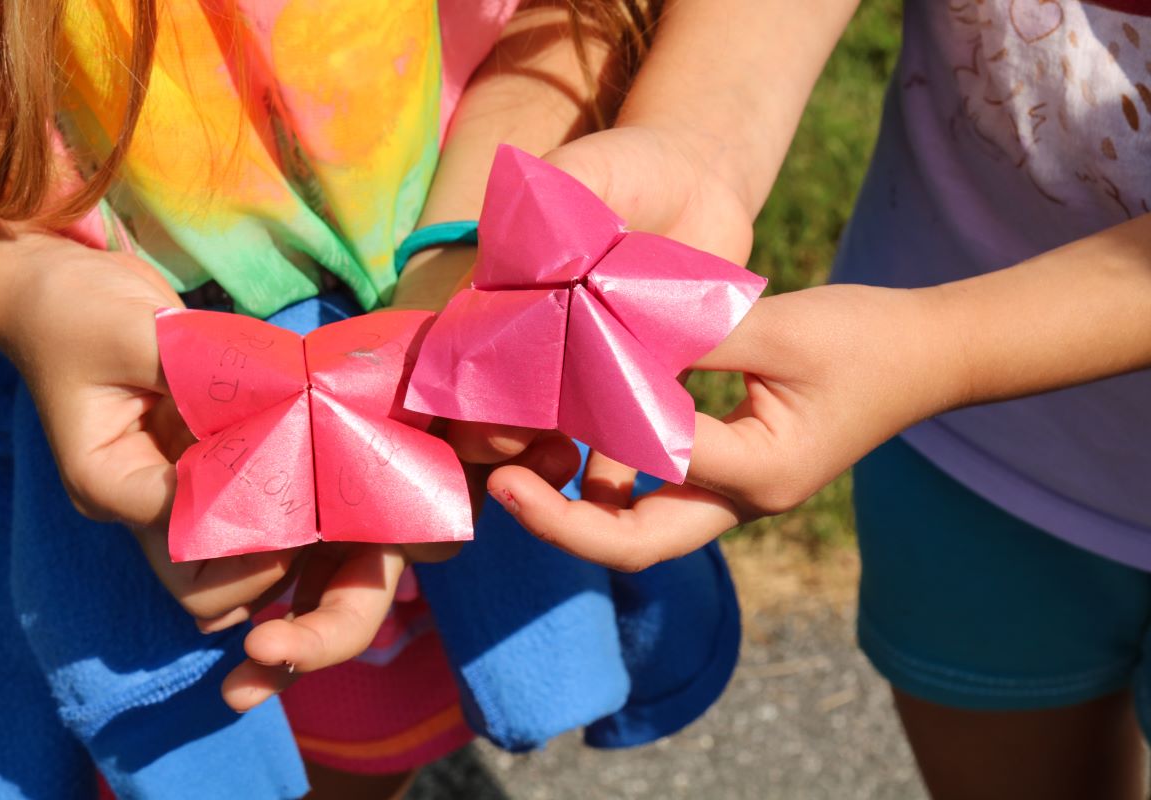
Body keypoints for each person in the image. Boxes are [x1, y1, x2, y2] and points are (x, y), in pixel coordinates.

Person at [0, 1, 744, 797]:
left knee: (352, 727)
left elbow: (570, 21)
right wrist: (10, 287)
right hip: (47, 373)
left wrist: (468, 244)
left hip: (436, 313)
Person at [467, 1, 1151, 798]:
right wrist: (695, 139)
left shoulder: (930, 354)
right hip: (950, 449)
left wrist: (946, 349)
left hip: (926, 370)